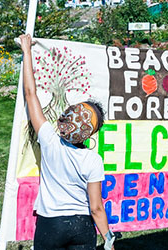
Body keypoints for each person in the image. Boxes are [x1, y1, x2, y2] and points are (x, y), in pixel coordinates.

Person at [19, 34, 116, 250]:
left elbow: (30, 94)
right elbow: (96, 208)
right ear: (90, 135)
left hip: (50, 224)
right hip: (82, 227)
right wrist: (108, 239)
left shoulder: (49, 140)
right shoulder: (93, 160)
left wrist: (27, 52)